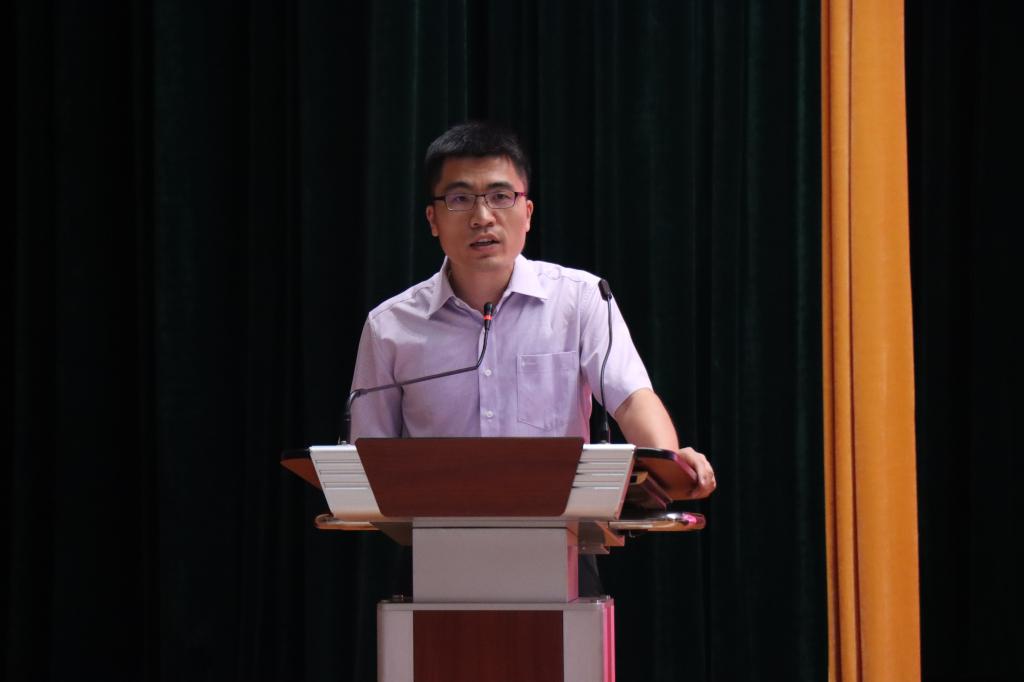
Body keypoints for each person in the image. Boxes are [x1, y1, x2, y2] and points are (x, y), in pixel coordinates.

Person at [350, 121, 715, 592]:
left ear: (527, 212)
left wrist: (668, 458)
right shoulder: (390, 326)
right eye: (459, 199)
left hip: (563, 548)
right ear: (433, 219)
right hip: (434, 555)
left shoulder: (581, 299)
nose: (482, 216)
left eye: (500, 196)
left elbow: (630, 398)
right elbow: (368, 455)